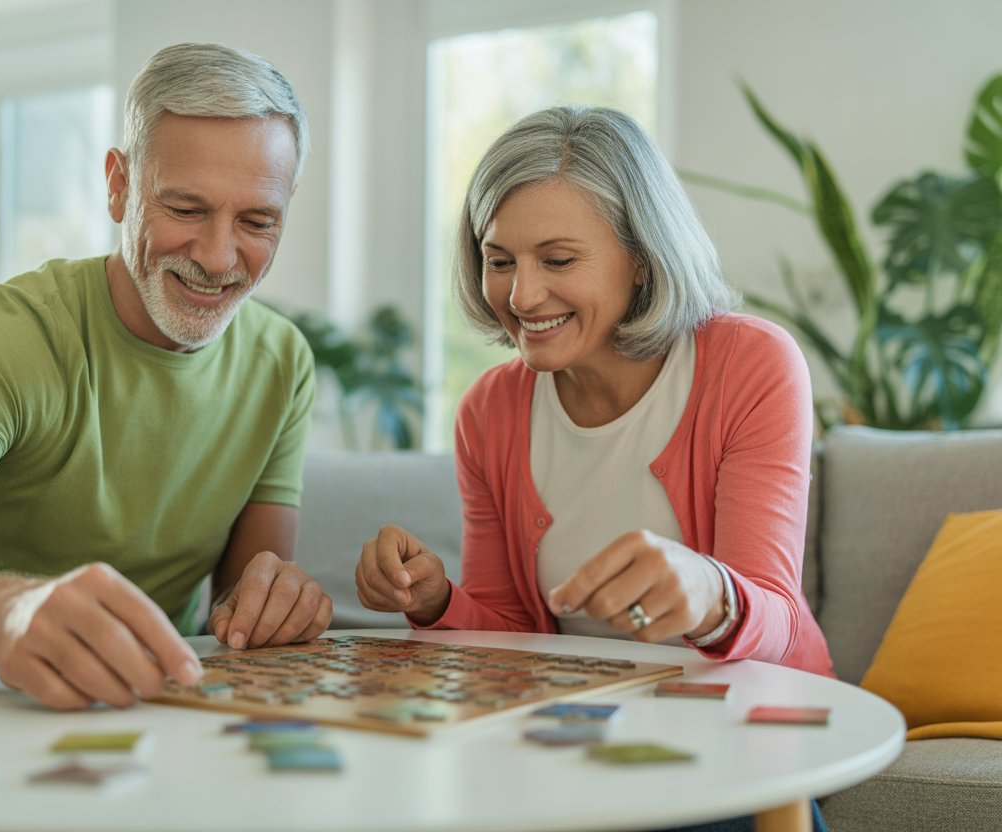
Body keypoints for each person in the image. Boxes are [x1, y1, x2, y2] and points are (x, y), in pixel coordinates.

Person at [0, 42, 332, 710]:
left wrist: (277, 603)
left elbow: (243, 606)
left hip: (114, 702)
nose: (218, 255)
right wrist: (14, 613)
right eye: (185, 210)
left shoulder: (283, 364)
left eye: (257, 220)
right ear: (119, 186)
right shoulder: (12, 333)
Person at [354, 106, 833, 829]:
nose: (521, 297)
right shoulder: (491, 411)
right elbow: (507, 635)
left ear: (641, 256)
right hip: (573, 743)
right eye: (499, 259)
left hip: (745, 736)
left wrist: (710, 593)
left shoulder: (751, 365)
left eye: (558, 259)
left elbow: (773, 617)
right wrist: (433, 601)